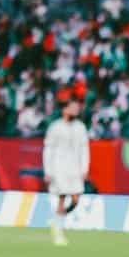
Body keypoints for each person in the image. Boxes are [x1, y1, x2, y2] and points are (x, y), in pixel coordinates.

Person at [43, 98, 90, 247]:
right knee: (62, 197)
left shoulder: (80, 127)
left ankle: (57, 220)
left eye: (77, 108)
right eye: (73, 108)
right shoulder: (55, 127)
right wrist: (48, 170)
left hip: (75, 168)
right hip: (59, 168)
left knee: (76, 199)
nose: (76, 111)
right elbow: (48, 149)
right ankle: (58, 231)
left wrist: (85, 168)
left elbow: (85, 149)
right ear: (65, 110)